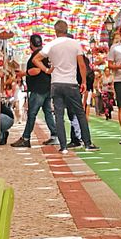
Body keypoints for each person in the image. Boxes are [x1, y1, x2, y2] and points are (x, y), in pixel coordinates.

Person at [33, 20, 98, 155]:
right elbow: (81, 65)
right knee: (80, 113)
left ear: (55, 31)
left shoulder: (51, 45)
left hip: (56, 83)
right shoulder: (75, 44)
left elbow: (36, 59)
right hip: (71, 83)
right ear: (67, 30)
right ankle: (87, 143)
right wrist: (84, 82)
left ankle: (63, 147)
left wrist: (46, 70)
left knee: (59, 115)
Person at [12, 33, 57, 148]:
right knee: (47, 112)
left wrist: (24, 73)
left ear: (31, 44)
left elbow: (36, 70)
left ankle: (26, 138)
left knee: (32, 113)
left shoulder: (36, 56)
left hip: (38, 89)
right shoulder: (46, 54)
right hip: (47, 87)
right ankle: (54, 136)